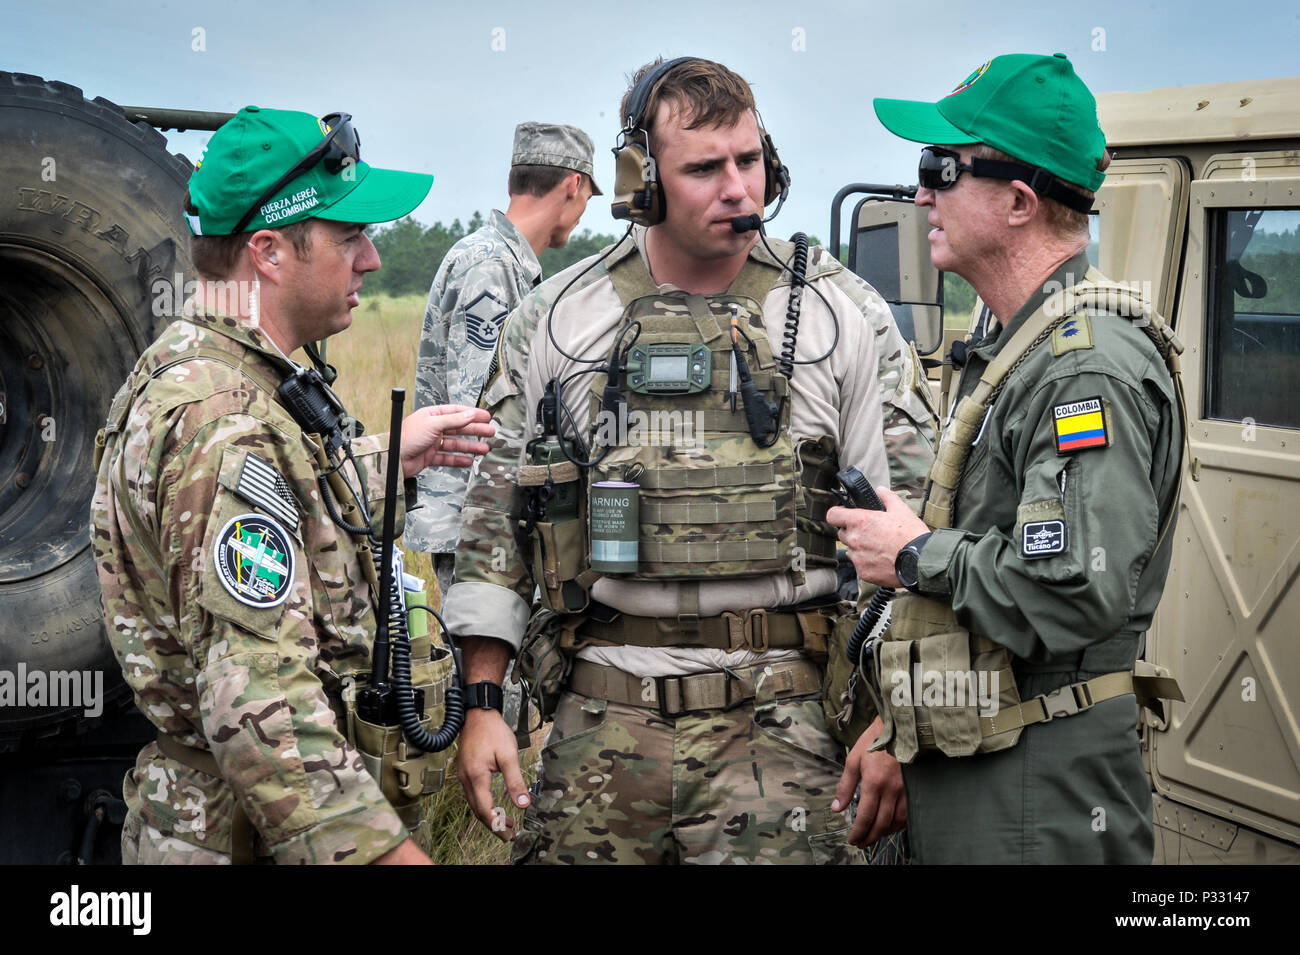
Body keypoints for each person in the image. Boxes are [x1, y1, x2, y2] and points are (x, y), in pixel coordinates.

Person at [443, 57, 936, 864]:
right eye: (704, 168)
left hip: (786, 720)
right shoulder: (558, 321)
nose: (737, 188)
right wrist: (483, 703)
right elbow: (496, 530)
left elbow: (912, 532)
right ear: (643, 179)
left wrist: (896, 719)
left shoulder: (844, 317)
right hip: (601, 717)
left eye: (750, 161)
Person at [92, 106, 493, 864]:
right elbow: (261, 708)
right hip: (248, 837)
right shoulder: (223, 420)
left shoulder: (224, 374)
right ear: (269, 251)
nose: (371, 259)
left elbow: (276, 507)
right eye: (350, 238)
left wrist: (377, 461)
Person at [829, 53, 1185, 863]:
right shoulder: (1017, 347)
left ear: (1020, 202)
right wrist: (900, 728)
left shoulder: (1082, 368)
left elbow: (1073, 589)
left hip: (1036, 800)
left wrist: (915, 553)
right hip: (977, 760)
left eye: (941, 167)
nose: (921, 192)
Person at [409, 122, 600, 600]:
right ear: (573, 185)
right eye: (588, 198)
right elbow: (483, 415)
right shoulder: (492, 267)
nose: (581, 213)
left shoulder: (501, 261)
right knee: (491, 673)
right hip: (480, 523)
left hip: (483, 518)